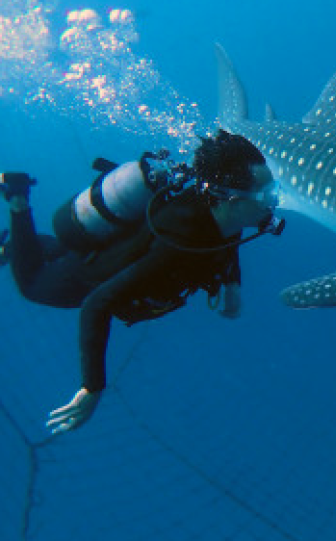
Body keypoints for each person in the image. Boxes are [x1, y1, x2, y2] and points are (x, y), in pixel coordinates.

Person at [0, 130, 282, 434]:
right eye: (266, 195)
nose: (275, 201)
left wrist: (232, 283)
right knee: (32, 285)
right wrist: (91, 388)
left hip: (118, 244)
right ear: (230, 200)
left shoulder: (222, 208)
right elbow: (97, 303)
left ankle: (25, 246)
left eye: (274, 189)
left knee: (65, 251)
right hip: (86, 276)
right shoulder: (177, 244)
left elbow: (229, 234)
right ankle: (17, 198)